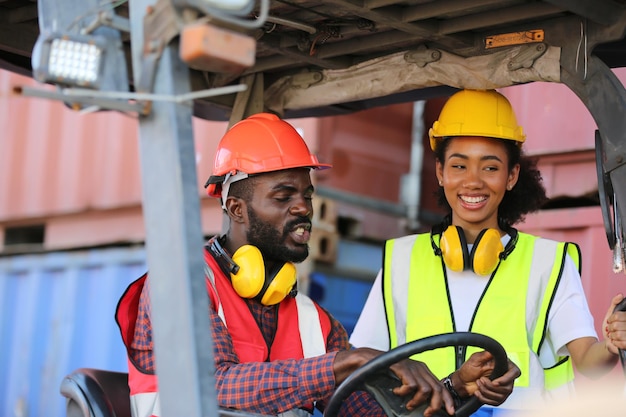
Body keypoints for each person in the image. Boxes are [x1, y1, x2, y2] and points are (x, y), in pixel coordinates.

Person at [115, 112, 520, 417]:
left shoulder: (315, 322)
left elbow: (371, 411)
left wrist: (455, 386)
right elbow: (211, 387)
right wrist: (343, 363)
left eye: (306, 195)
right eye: (283, 195)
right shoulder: (181, 286)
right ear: (236, 209)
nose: (302, 208)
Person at [349, 89, 626, 417]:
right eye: (459, 165)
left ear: (511, 176)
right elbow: (365, 366)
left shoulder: (548, 262)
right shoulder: (402, 259)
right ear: (440, 173)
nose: (473, 181)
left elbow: (588, 362)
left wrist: (611, 345)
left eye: (490, 168)